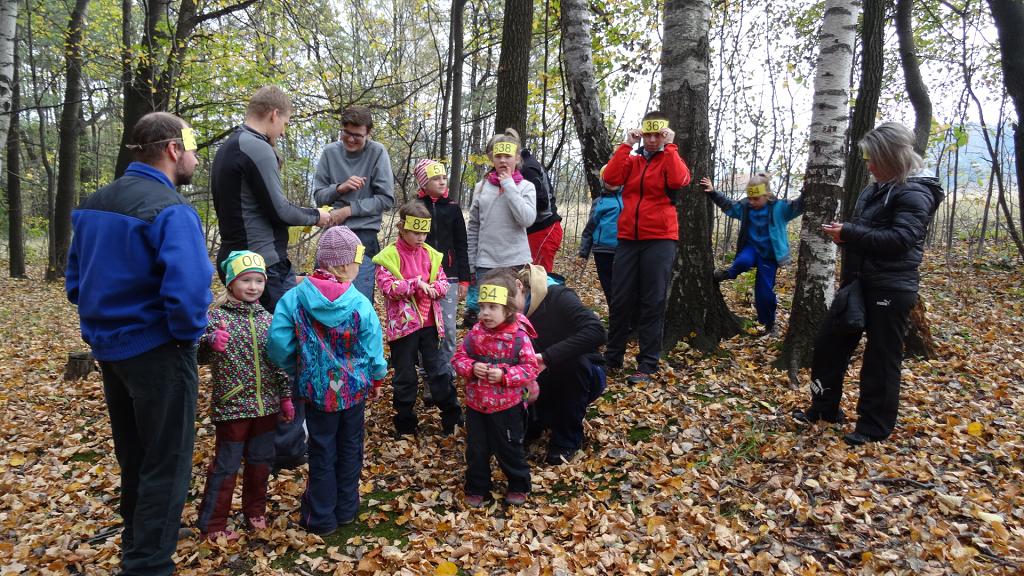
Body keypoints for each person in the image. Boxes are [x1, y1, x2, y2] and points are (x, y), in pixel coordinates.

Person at [65, 111, 212, 575]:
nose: (194, 159)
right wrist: (187, 339)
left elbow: (75, 283)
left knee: (136, 453)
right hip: (160, 352)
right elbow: (188, 290)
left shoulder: (94, 203)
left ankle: (142, 535)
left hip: (111, 352)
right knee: (166, 461)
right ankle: (148, 563)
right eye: (191, 150)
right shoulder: (171, 210)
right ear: (172, 150)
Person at [793, 122, 944, 446]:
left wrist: (850, 233)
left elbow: (901, 239)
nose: (869, 164)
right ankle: (824, 409)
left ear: (891, 157)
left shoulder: (916, 191)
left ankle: (874, 426)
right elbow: (868, 233)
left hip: (891, 288)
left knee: (881, 357)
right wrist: (844, 235)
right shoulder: (874, 189)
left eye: (874, 158)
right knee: (828, 344)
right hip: (859, 283)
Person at [211, 85, 329, 472]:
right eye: (286, 123)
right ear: (274, 114)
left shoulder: (228, 147)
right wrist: (319, 215)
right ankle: (286, 446)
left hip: (239, 262)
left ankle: (254, 441)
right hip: (261, 267)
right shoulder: (255, 146)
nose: (283, 131)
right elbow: (279, 209)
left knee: (253, 353)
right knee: (281, 352)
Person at [267, 226, 388, 536]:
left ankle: (321, 516)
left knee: (322, 448)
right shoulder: (359, 303)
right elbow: (373, 345)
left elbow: (278, 344)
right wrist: (376, 378)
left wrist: (296, 365)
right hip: (354, 390)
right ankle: (346, 507)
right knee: (350, 447)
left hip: (317, 391)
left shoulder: (295, 298)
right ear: (345, 264)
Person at [196, 251, 293, 541]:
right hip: (233, 405)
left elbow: (279, 362)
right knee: (225, 465)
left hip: (267, 406)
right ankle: (213, 524)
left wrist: (286, 397)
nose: (253, 287)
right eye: (246, 280)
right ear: (230, 283)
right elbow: (198, 355)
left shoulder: (269, 320)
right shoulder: (216, 317)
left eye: (258, 281)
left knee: (261, 462)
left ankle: (255, 512)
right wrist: (210, 342)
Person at [602, 111, 691, 383]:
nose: (652, 140)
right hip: (629, 238)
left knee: (652, 300)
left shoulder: (669, 158)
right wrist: (626, 144)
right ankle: (612, 357)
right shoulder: (633, 160)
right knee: (620, 299)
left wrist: (671, 146)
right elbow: (611, 179)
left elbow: (679, 180)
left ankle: (648, 364)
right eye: (648, 134)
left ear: (664, 133)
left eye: (657, 135)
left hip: (661, 238)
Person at [372, 201, 463, 437]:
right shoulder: (389, 256)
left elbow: (443, 280)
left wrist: (436, 288)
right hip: (402, 328)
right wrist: (415, 284)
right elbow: (387, 286)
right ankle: (405, 423)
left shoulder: (432, 255)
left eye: (424, 232)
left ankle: (452, 418)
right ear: (402, 228)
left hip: (430, 324)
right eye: (415, 231)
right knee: (405, 376)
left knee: (439, 371)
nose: (421, 237)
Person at [452, 270, 540, 507]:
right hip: (476, 405)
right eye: (482, 307)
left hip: (507, 407)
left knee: (510, 448)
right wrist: (471, 368)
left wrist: (505, 375)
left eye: (492, 307)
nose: (485, 313)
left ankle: (518, 485)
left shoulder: (519, 337)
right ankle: (477, 487)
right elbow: (458, 358)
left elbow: (531, 368)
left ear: (508, 310)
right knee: (476, 450)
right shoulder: (476, 333)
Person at [517, 265, 607, 465]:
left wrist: (547, 357)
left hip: (581, 373)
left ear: (519, 288)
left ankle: (567, 441)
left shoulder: (559, 296)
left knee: (572, 364)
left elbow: (597, 331)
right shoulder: (512, 312)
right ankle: (532, 425)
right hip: (537, 378)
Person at [700, 172, 804, 335]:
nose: (752, 202)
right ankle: (728, 274)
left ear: (767, 195)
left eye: (756, 199)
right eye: (750, 198)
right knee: (742, 262)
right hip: (751, 248)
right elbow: (729, 205)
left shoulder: (780, 208)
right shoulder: (746, 207)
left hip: (769, 256)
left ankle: (770, 324)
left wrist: (806, 191)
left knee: (765, 294)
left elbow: (798, 206)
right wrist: (713, 192)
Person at [312, 105, 396, 300]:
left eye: (357, 135)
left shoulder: (377, 152)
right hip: (331, 237)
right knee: (322, 299)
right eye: (346, 133)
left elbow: (386, 199)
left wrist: (349, 210)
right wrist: (340, 188)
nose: (350, 139)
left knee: (357, 302)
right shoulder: (330, 152)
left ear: (369, 133)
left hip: (363, 238)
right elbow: (319, 196)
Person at [464, 128, 537, 326]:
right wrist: (471, 263)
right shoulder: (481, 187)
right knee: (488, 317)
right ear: (492, 159)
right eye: (498, 156)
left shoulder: (526, 187)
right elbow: (473, 228)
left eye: (507, 156)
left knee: (515, 316)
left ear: (517, 158)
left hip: (516, 263)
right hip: (486, 264)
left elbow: (526, 219)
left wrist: (510, 186)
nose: (503, 161)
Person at [413, 158, 470, 375]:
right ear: (423, 183)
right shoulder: (416, 208)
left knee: (447, 327)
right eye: (435, 178)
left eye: (444, 177)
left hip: (450, 276)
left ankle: (447, 367)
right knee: (424, 326)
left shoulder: (453, 208)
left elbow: (462, 244)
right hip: (420, 278)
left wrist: (465, 278)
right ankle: (426, 368)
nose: (442, 182)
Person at [576, 165, 623, 307]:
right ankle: (615, 319)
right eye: (608, 178)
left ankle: (628, 321)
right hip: (602, 251)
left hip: (624, 250)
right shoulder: (599, 202)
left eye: (616, 177)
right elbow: (590, 228)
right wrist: (583, 253)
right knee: (609, 288)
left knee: (623, 288)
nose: (612, 181)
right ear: (603, 180)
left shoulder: (628, 198)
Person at [521, 147, 563, 272]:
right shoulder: (528, 164)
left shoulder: (528, 168)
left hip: (544, 229)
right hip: (537, 230)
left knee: (539, 277)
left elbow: (542, 202)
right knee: (529, 275)